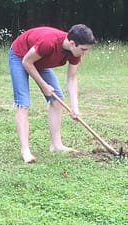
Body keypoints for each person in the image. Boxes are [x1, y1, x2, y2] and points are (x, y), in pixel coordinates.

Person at [9, 24, 96, 163]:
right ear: (72, 43)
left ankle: (56, 145)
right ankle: (25, 150)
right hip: (20, 57)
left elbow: (72, 78)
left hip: (39, 61)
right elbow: (27, 61)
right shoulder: (49, 42)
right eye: (83, 49)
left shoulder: (74, 52)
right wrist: (44, 85)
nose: (85, 53)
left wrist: (75, 107)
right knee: (23, 103)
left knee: (57, 100)